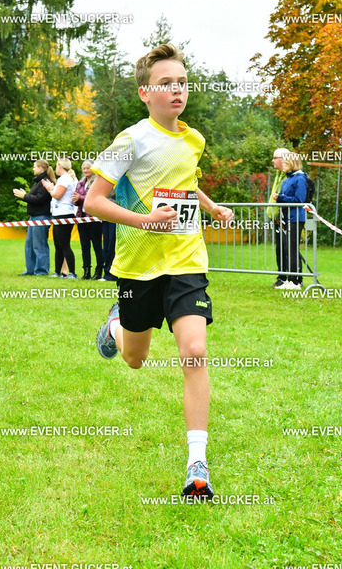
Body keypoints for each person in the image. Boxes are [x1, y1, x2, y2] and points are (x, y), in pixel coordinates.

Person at [85, 43, 233, 499]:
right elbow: (94, 202)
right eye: (166, 83)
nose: (177, 90)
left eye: (182, 83)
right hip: (137, 267)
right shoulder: (130, 141)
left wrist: (211, 207)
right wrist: (145, 220)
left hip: (186, 260)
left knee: (195, 350)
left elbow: (187, 181)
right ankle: (116, 324)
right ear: (145, 93)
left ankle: (196, 464)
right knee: (135, 358)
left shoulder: (194, 139)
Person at [272, 152, 307, 290]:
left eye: (285, 163)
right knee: (286, 249)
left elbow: (299, 200)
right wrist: (280, 197)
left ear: (292, 164)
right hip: (285, 218)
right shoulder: (287, 179)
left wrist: (280, 198)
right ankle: (288, 279)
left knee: (292, 249)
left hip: (295, 218)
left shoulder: (300, 179)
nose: (283, 165)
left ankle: (295, 281)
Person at [13, 159, 53, 276]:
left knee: (39, 245)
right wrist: (26, 194)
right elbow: (35, 197)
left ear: (40, 168)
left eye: (34, 167)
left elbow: (39, 199)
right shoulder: (38, 181)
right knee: (29, 245)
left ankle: (41, 270)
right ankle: (30, 270)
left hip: (41, 217)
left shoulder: (45, 181)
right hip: (33, 217)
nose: (33, 169)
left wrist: (24, 196)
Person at [42, 157, 78, 279]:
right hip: (58, 214)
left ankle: (72, 273)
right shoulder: (63, 179)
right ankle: (57, 272)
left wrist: (50, 188)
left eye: (56, 165)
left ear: (60, 166)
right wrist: (52, 188)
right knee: (58, 244)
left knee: (64, 244)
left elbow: (57, 195)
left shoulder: (65, 179)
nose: (55, 168)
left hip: (65, 214)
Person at [72, 160, 104, 280]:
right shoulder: (80, 183)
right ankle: (86, 271)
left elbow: (94, 198)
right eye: (84, 168)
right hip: (82, 217)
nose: (86, 170)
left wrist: (79, 198)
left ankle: (99, 270)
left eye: (88, 168)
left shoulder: (97, 182)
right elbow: (77, 200)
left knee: (97, 245)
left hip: (94, 218)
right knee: (84, 246)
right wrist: (75, 200)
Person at [266, 147, 290, 287]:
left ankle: (292, 278)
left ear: (283, 159)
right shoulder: (279, 174)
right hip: (277, 218)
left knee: (288, 249)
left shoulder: (290, 176)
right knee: (280, 249)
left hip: (286, 218)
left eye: (275, 158)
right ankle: (282, 277)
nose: (273, 161)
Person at [100, 188, 117, 282]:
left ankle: (111, 274)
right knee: (106, 246)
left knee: (111, 246)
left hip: (115, 216)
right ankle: (107, 273)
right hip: (105, 216)